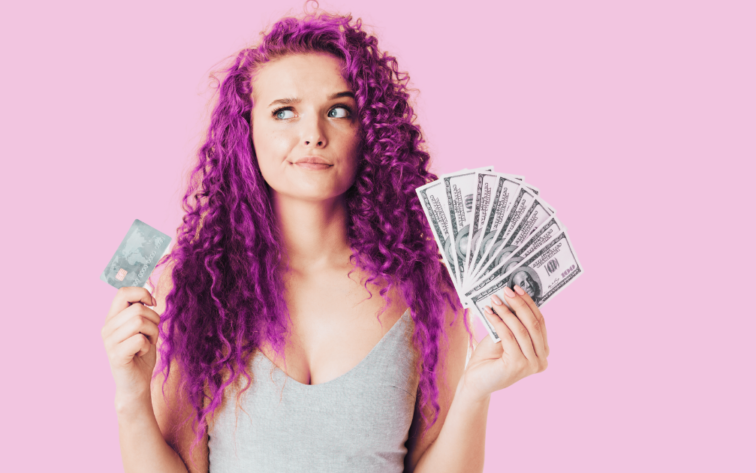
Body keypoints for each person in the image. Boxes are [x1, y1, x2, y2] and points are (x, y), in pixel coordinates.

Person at [101, 7, 550, 473]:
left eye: (338, 111)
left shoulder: (427, 286)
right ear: (246, 130)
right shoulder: (194, 284)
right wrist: (129, 396)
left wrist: (476, 391)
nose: (312, 135)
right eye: (284, 112)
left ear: (371, 131)